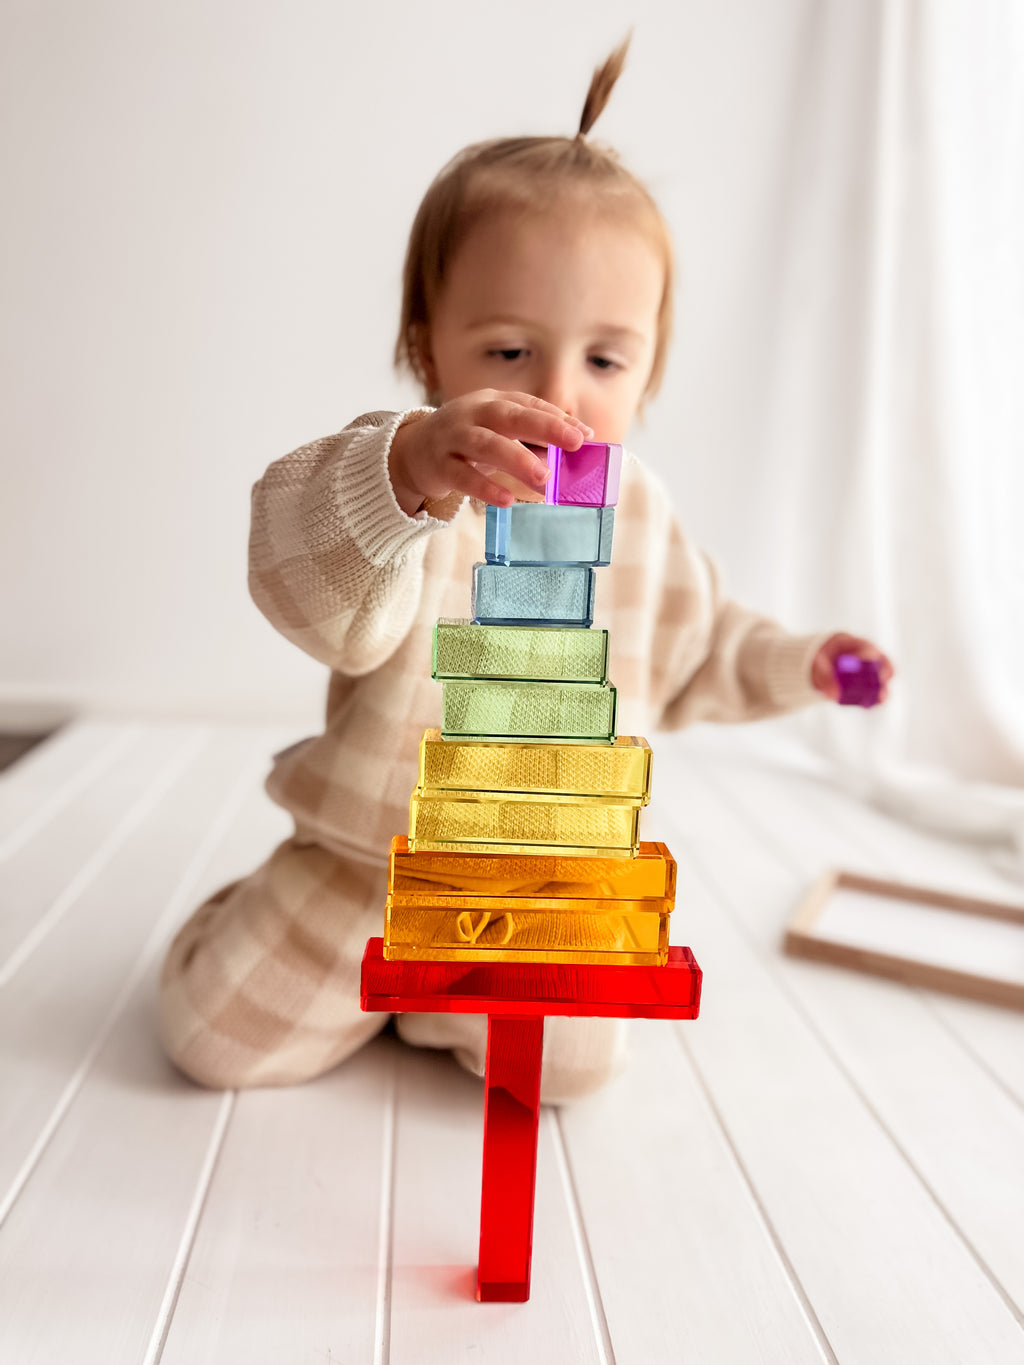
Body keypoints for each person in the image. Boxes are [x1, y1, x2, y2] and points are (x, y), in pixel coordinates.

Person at [158, 40, 893, 1102]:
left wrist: (807, 662)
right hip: (370, 864)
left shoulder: (640, 516)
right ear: (429, 349)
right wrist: (405, 475)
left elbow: (703, 646)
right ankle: (286, 932)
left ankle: (436, 1003)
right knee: (213, 1036)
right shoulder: (403, 477)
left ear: (647, 369)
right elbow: (308, 587)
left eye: (604, 359)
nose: (558, 393)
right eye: (509, 352)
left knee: (576, 1069)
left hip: (543, 881)